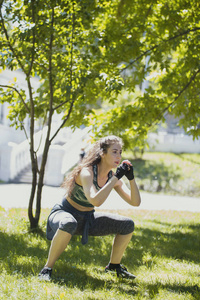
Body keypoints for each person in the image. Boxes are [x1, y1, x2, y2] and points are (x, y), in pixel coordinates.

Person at [38, 135, 141, 281]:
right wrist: (115, 178)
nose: (119, 156)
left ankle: (113, 266)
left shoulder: (112, 177)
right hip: (64, 214)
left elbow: (135, 202)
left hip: (87, 219)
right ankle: (46, 269)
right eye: (114, 152)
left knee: (127, 225)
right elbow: (95, 200)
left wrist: (131, 179)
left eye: (120, 152)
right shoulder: (87, 172)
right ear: (102, 153)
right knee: (69, 222)